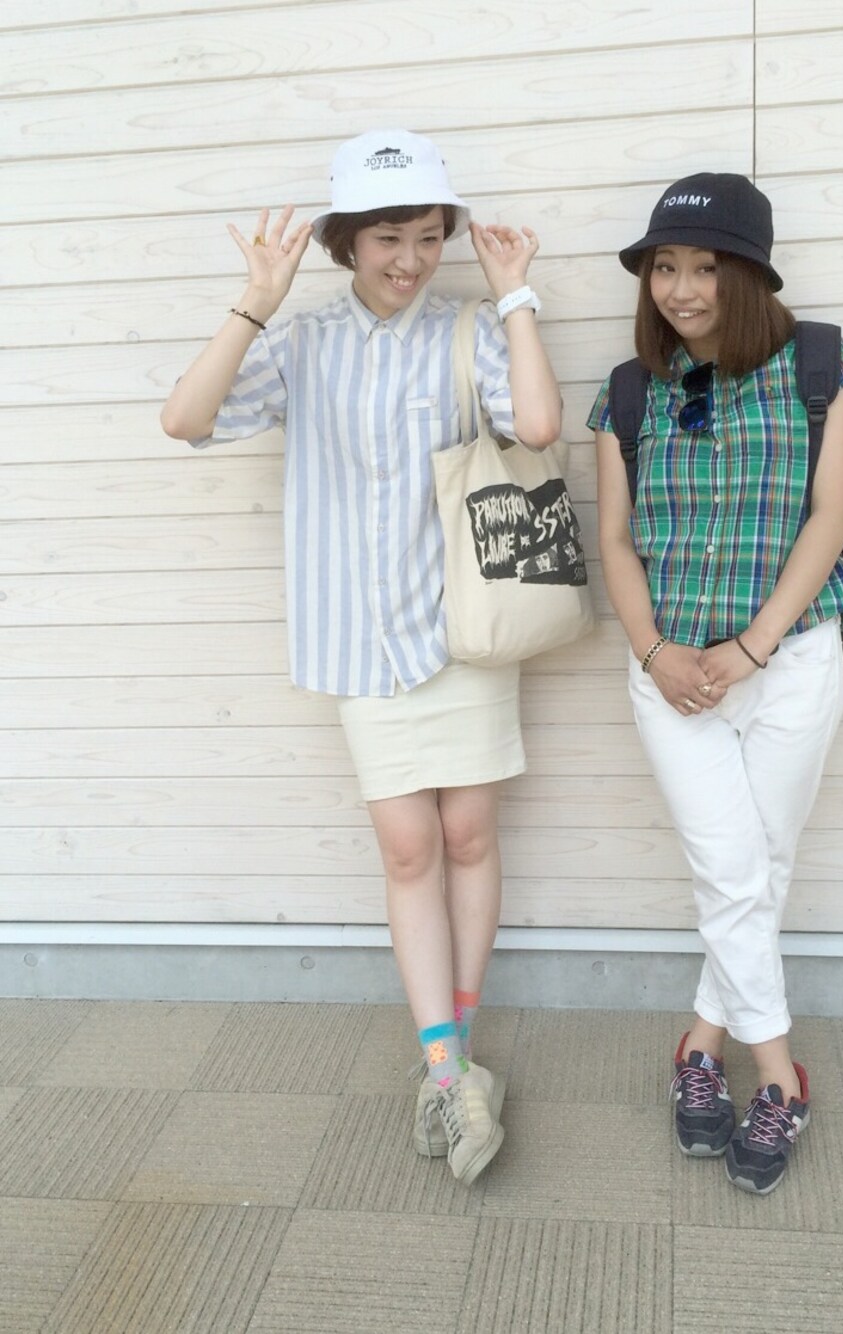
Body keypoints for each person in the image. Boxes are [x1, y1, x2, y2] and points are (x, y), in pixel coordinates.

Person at [161, 129, 562, 1186]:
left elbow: (537, 424)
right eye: (389, 237)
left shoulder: (469, 330)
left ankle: (456, 1060)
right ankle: (445, 1068)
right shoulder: (301, 343)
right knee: (408, 849)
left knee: (469, 834)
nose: (412, 258)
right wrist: (256, 300)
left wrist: (515, 296)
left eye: (429, 236)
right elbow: (184, 419)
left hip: (465, 630)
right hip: (356, 635)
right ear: (347, 240)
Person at [589, 173, 843, 1194]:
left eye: (705, 266)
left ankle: (700, 1044)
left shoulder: (822, 367)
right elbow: (615, 540)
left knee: (757, 866)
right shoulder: (628, 391)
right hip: (669, 673)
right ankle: (780, 1076)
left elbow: (831, 516)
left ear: (749, 272)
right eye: (664, 267)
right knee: (734, 866)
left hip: (789, 661)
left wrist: (751, 647)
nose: (680, 288)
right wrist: (655, 651)